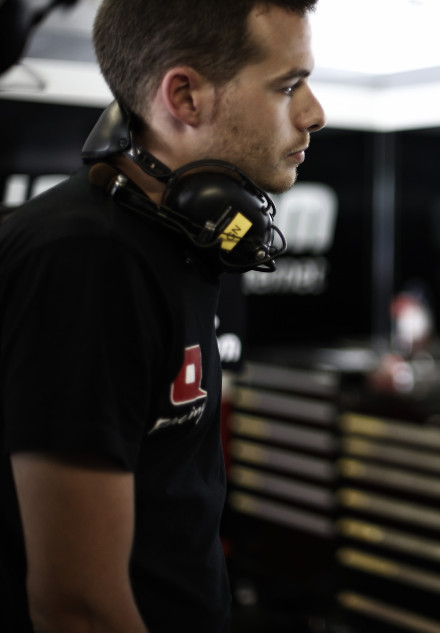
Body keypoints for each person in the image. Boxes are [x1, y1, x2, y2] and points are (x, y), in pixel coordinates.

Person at [0, 1, 325, 631]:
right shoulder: (85, 261)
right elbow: (79, 608)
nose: (314, 113)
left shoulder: (177, 238)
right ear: (185, 98)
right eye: (288, 86)